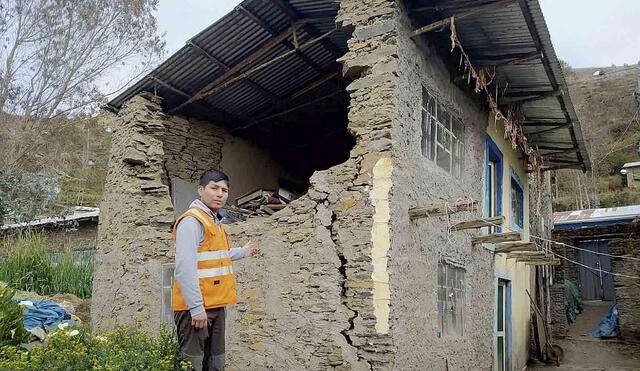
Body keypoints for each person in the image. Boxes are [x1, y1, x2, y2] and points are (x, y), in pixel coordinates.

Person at [172, 169, 258, 371]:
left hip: (216, 305)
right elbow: (185, 268)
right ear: (201, 190)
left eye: (224, 190)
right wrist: (196, 308)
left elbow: (217, 256)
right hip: (196, 308)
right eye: (214, 188)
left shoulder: (215, 222)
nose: (220, 194)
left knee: (216, 361)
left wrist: (243, 252)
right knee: (192, 363)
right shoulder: (192, 222)